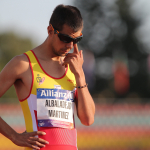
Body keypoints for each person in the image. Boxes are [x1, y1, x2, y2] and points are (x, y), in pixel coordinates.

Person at [0, 4, 95, 150]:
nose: (70, 45)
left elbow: (88, 119)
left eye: (76, 40)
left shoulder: (74, 68)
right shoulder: (23, 64)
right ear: (50, 30)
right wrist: (14, 136)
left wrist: (80, 75)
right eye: (65, 38)